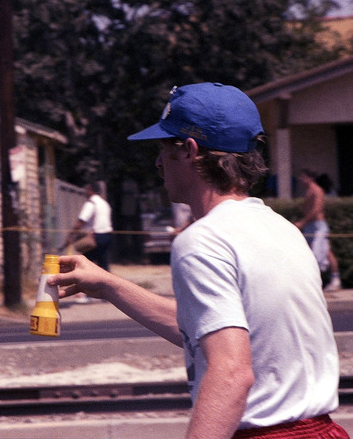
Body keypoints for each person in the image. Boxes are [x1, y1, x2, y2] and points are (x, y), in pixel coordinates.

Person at [48, 82, 347, 438]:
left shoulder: (201, 240)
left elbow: (231, 371)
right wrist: (109, 286)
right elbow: (211, 331)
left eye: (163, 147)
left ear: (189, 151)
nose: (158, 161)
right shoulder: (280, 229)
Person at [62, 182, 113, 271]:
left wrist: (70, 236)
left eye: (87, 190)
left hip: (96, 236)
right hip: (107, 235)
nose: (85, 192)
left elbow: (81, 221)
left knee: (85, 262)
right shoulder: (104, 203)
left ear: (91, 191)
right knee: (103, 262)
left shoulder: (91, 204)